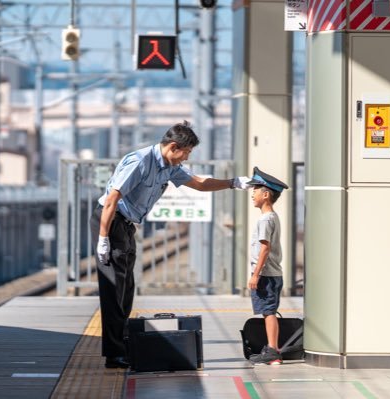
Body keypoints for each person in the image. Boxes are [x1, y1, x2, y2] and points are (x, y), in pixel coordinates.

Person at [90, 120, 249, 369]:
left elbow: (199, 183)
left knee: (126, 290)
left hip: (126, 225)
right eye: (186, 152)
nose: (186, 158)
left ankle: (122, 345)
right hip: (110, 221)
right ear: (173, 147)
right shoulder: (141, 162)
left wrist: (234, 182)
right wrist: (103, 239)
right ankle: (114, 353)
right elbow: (112, 199)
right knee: (113, 290)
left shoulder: (170, 166)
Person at [246, 167, 288, 365]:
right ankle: (272, 351)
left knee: (269, 312)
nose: (252, 194)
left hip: (266, 274)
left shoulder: (265, 219)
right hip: (271, 273)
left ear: (265, 194)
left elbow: (264, 249)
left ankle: (273, 350)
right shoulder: (273, 217)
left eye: (255, 190)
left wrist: (256, 275)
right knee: (268, 310)